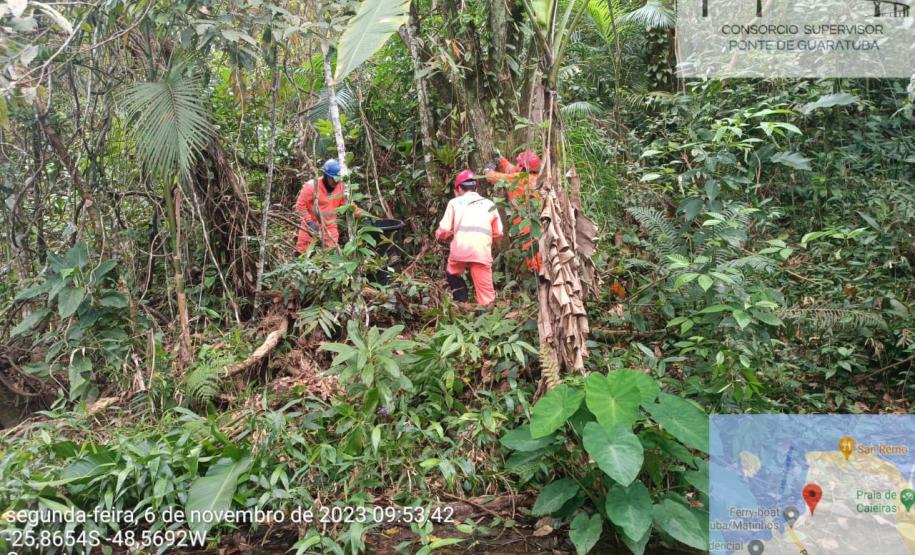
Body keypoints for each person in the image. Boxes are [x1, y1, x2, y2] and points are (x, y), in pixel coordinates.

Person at [435, 169, 504, 305]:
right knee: (486, 293)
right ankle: (487, 309)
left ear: (459, 188)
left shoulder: (454, 203)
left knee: (452, 272)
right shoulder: (489, 204)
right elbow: (499, 232)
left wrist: (441, 236)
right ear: (475, 188)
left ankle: (462, 301)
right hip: (481, 251)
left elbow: (443, 229)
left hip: (460, 249)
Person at [484, 150, 542, 272]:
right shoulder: (537, 178)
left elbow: (490, 177)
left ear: (522, 167)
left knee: (532, 254)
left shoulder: (519, 179)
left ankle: (536, 275)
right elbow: (512, 169)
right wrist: (501, 159)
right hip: (540, 222)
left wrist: (489, 168)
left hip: (528, 225)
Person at [295, 159, 362, 253]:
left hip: (330, 226)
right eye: (333, 178)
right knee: (302, 252)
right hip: (310, 224)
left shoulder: (341, 187)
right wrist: (309, 222)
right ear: (326, 176)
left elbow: (349, 205)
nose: (335, 181)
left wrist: (362, 214)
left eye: (337, 179)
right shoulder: (312, 186)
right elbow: (300, 206)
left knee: (330, 254)